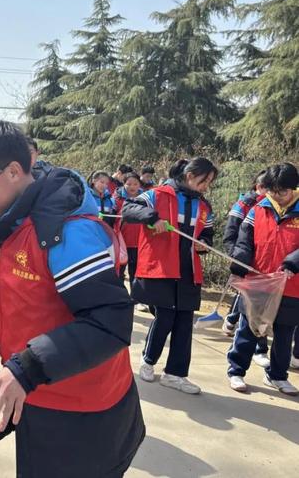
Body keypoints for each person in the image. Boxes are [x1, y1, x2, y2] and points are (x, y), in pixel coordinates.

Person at [0, 119, 145, 478]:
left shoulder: (67, 233)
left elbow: (110, 322)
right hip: (34, 391)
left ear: (14, 171)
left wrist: (27, 366)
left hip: (83, 411)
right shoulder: (2, 221)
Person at [122, 158, 217, 394]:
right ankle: (149, 360)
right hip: (163, 267)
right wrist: (152, 218)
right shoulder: (158, 194)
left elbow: (207, 232)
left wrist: (204, 243)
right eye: (204, 180)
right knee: (165, 317)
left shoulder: (204, 206)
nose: (206, 186)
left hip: (188, 270)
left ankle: (175, 374)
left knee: (184, 321)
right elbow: (128, 209)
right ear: (190, 175)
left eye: (210, 182)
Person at [227, 162, 299, 396]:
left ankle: (277, 375)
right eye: (273, 191)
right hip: (259, 280)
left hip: (291, 285)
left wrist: (292, 263)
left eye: (283, 192)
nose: (278, 197)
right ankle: (236, 370)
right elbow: (244, 242)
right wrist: (238, 265)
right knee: (248, 328)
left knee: (284, 331)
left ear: (294, 188)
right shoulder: (258, 209)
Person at [221, 171, 271, 368]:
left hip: (263, 266)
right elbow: (231, 232)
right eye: (264, 187)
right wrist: (236, 258)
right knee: (252, 305)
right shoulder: (245, 204)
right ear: (256, 186)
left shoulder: (277, 207)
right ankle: (258, 350)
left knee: (254, 304)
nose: (267, 192)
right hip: (244, 259)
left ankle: (232, 320)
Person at [114, 172, 144, 282]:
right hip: (121, 243)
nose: (132, 187)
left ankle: (134, 298)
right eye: (129, 184)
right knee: (119, 273)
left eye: (135, 184)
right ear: (123, 184)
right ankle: (119, 297)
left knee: (136, 274)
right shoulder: (116, 200)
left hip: (140, 242)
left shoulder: (146, 199)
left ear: (139, 184)